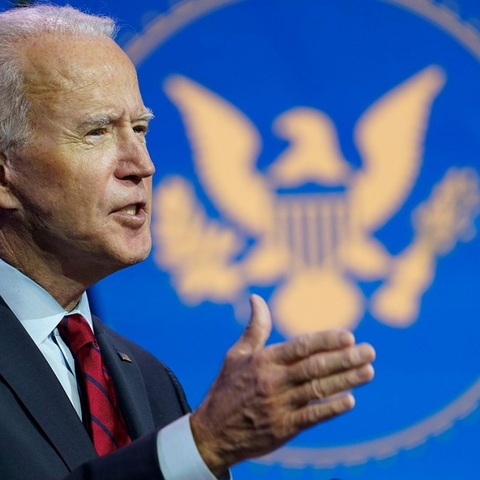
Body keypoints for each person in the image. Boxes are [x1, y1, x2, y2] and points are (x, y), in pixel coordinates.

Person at [0, 4, 376, 480]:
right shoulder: (189, 432)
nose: (142, 165)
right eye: (96, 132)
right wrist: (198, 447)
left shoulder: (152, 383)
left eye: (140, 129)